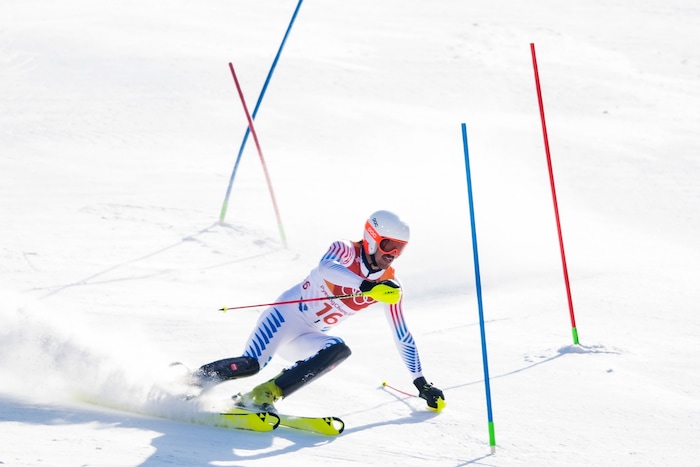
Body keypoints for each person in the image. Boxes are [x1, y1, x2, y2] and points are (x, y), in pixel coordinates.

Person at [190, 210, 445, 413]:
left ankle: (263, 394)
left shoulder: (391, 286)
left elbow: (401, 334)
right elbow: (325, 268)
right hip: (284, 319)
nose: (392, 255)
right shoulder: (345, 250)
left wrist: (421, 382)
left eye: (399, 249)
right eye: (388, 245)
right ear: (370, 238)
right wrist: (367, 286)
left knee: (339, 349)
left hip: (307, 338)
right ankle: (190, 381)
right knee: (252, 364)